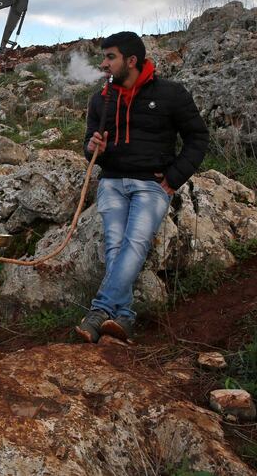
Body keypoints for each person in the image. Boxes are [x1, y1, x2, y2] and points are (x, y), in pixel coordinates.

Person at [75, 32, 209, 344]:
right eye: (104, 57)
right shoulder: (100, 100)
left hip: (151, 184)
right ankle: (124, 317)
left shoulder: (171, 94)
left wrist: (173, 179)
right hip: (111, 181)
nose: (104, 63)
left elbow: (198, 138)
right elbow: (89, 146)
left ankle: (100, 310)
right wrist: (93, 145)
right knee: (115, 246)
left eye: (111, 57)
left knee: (134, 243)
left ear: (131, 61)